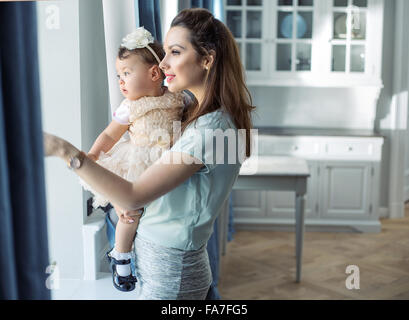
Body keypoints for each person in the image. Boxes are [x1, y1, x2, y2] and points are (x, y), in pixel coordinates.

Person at [44, 8, 255, 300]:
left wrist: (62, 150)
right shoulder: (197, 115)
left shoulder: (211, 129)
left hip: (172, 271)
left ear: (207, 59)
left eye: (176, 52)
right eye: (165, 52)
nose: (164, 63)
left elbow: (134, 195)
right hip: (170, 265)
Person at [80, 26, 184, 292]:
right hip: (138, 161)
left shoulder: (176, 97)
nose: (121, 81)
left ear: (153, 73)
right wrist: (93, 156)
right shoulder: (129, 107)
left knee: (162, 207)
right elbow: (109, 135)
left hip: (167, 161)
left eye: (127, 73)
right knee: (130, 212)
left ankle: (143, 252)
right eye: (119, 76)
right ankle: (121, 256)